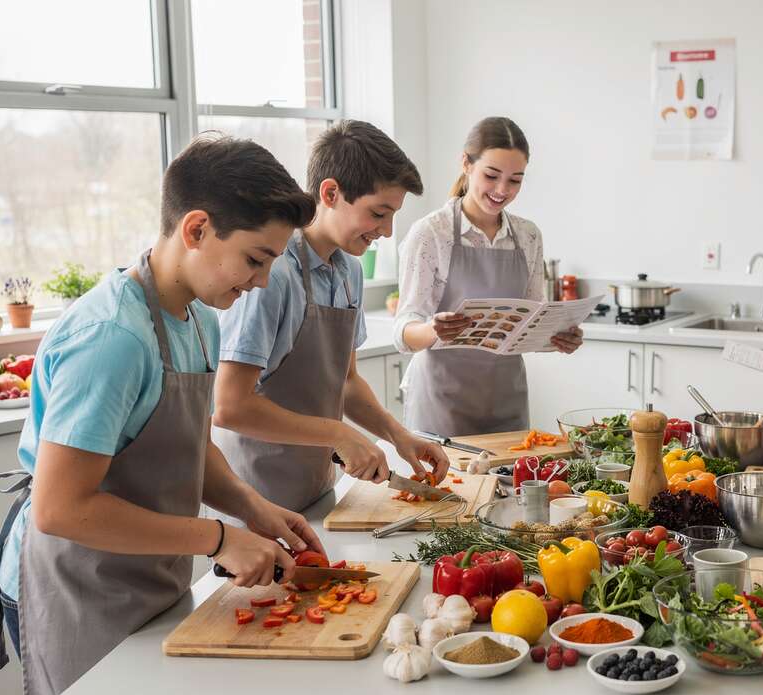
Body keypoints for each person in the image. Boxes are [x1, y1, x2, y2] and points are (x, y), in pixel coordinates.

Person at [0, 135, 327, 695]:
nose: (262, 281)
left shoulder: (198, 318)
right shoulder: (113, 339)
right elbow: (61, 508)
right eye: (255, 259)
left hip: (142, 572)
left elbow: (186, 444)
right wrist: (219, 539)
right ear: (196, 229)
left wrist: (252, 508)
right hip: (75, 583)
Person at [213, 120, 447, 512]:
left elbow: (347, 381)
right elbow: (230, 407)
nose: (387, 231)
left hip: (316, 486)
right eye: (379, 213)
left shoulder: (349, 270)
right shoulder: (272, 275)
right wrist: (337, 433)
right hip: (255, 498)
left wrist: (398, 435)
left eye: (393, 215)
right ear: (331, 193)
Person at [394, 117, 583, 436]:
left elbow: (529, 322)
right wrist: (432, 330)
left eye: (515, 180)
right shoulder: (431, 233)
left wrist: (557, 337)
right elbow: (403, 330)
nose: (502, 190)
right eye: (491, 176)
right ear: (466, 164)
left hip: (506, 400)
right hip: (442, 401)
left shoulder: (528, 235)